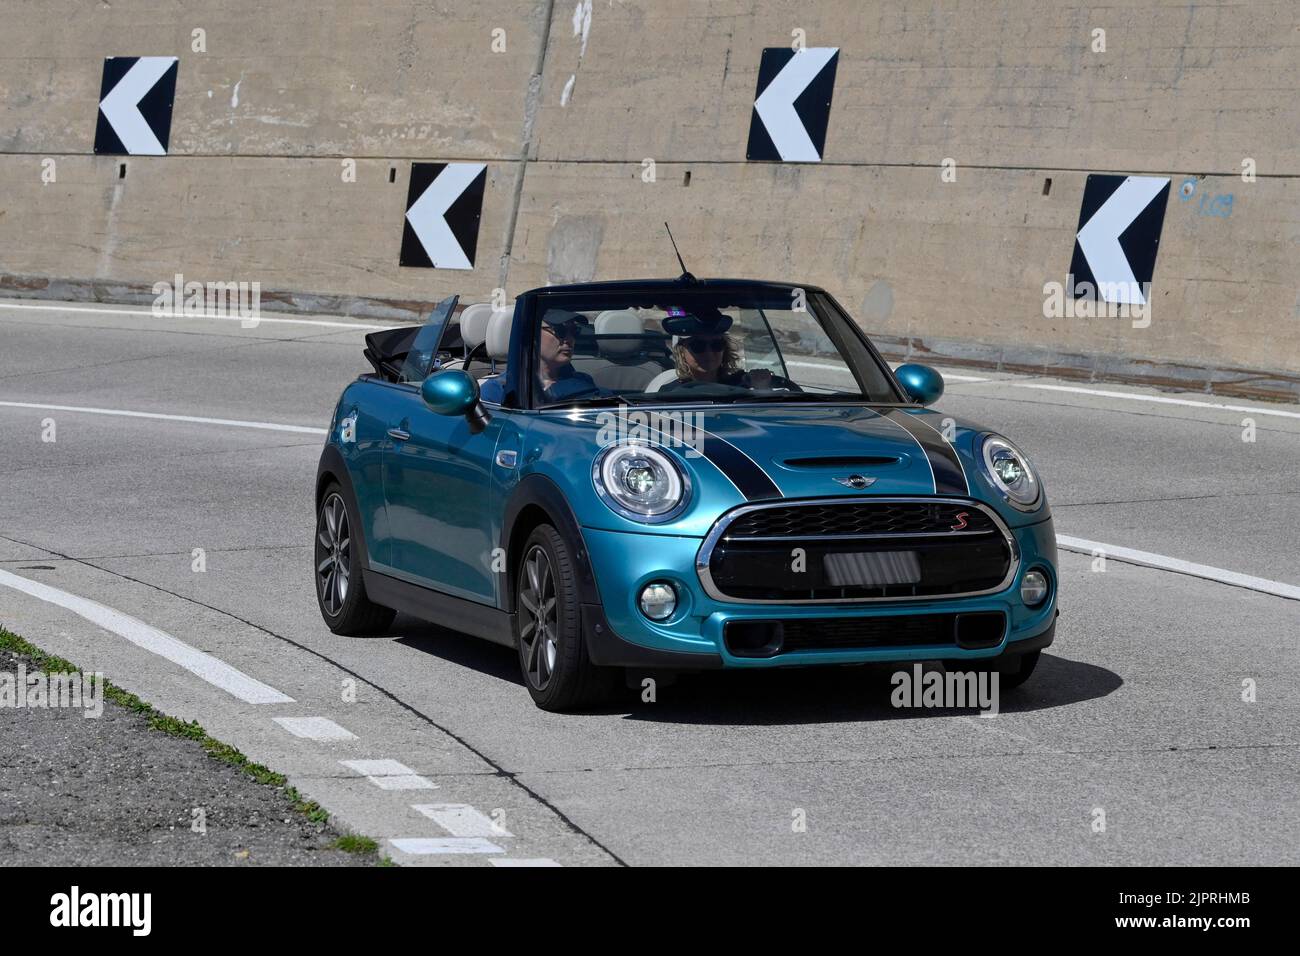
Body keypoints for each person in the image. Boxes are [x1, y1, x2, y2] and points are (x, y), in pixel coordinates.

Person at [659, 306, 773, 391]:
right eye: (698, 346)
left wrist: (762, 389)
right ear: (681, 352)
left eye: (716, 345)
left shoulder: (743, 384)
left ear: (725, 349)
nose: (709, 353)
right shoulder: (669, 393)